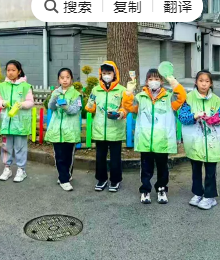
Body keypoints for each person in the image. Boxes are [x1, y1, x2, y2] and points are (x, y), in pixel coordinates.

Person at [123, 68, 186, 205]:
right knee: (146, 168)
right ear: (146, 82)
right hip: (145, 140)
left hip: (162, 140)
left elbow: (181, 98)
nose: (153, 82)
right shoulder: (140, 97)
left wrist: (173, 82)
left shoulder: (169, 97)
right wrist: (128, 92)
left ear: (162, 81)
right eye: (150, 79)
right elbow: (128, 106)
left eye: (156, 79)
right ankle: (145, 190)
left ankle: (161, 189)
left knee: (163, 167)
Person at [177, 70, 220, 210]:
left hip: (212, 142)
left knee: (210, 170)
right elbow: (182, 117)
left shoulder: (216, 100)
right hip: (195, 141)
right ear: (196, 82)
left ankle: (210, 196)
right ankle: (198, 193)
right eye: (201, 81)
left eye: (207, 81)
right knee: (196, 169)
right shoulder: (188, 99)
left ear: (211, 84)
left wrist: (216, 119)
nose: (204, 84)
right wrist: (194, 116)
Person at [85, 61, 127, 192]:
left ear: (115, 74)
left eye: (109, 73)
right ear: (100, 74)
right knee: (100, 157)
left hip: (115, 129)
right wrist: (89, 105)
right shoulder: (95, 89)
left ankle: (115, 180)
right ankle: (101, 179)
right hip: (99, 129)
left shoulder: (122, 90)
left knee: (115, 158)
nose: (106, 75)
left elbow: (125, 107)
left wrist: (120, 113)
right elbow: (91, 107)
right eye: (104, 73)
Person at [0, 60, 34, 183]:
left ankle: (21, 169)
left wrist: (21, 104)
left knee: (20, 147)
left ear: (19, 71)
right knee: (6, 146)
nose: (10, 72)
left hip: (20, 123)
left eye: (13, 70)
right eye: (8, 70)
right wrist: (3, 103)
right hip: (6, 122)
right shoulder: (2, 86)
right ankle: (7, 168)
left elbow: (30, 102)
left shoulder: (26, 86)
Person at [46, 68, 83, 191]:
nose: (65, 80)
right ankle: (64, 179)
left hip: (70, 130)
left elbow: (75, 110)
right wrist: (53, 98)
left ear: (71, 79)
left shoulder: (76, 95)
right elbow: (50, 107)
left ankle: (67, 174)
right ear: (59, 79)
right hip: (57, 130)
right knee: (59, 156)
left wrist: (65, 106)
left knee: (68, 156)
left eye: (67, 77)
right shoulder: (56, 92)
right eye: (62, 78)